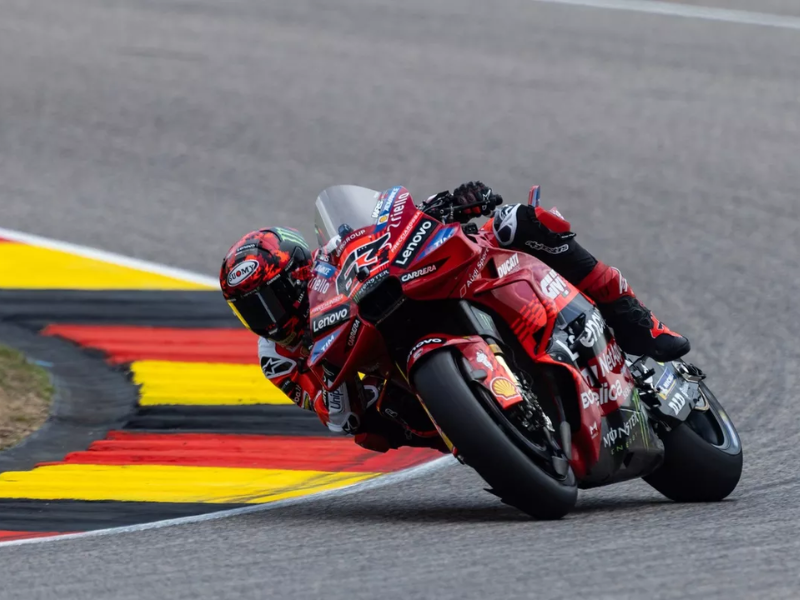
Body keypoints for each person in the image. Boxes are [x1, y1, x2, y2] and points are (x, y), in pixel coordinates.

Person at [219, 182, 690, 452]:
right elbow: (337, 417)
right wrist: (336, 391)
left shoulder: (332, 260)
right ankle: (485, 435)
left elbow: (386, 233)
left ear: (297, 272)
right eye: (251, 311)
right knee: (375, 430)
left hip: (413, 289)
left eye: (272, 299)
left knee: (521, 221)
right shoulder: (278, 358)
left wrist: (446, 206)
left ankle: (636, 319)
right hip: (393, 376)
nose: (269, 318)